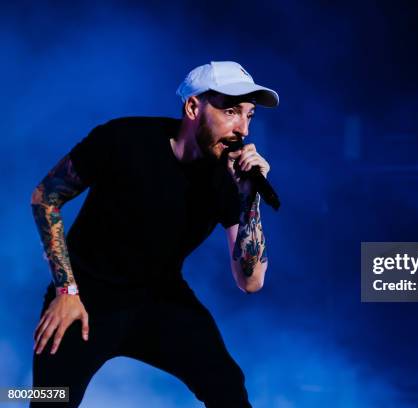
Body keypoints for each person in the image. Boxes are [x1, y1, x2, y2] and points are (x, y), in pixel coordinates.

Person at [29, 61, 279, 407]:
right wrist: (66, 290)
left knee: (228, 386)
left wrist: (249, 197)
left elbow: (250, 282)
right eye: (231, 112)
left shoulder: (228, 178)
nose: (243, 130)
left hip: (161, 299)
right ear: (193, 107)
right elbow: (45, 198)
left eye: (249, 115)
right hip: (85, 298)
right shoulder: (124, 139)